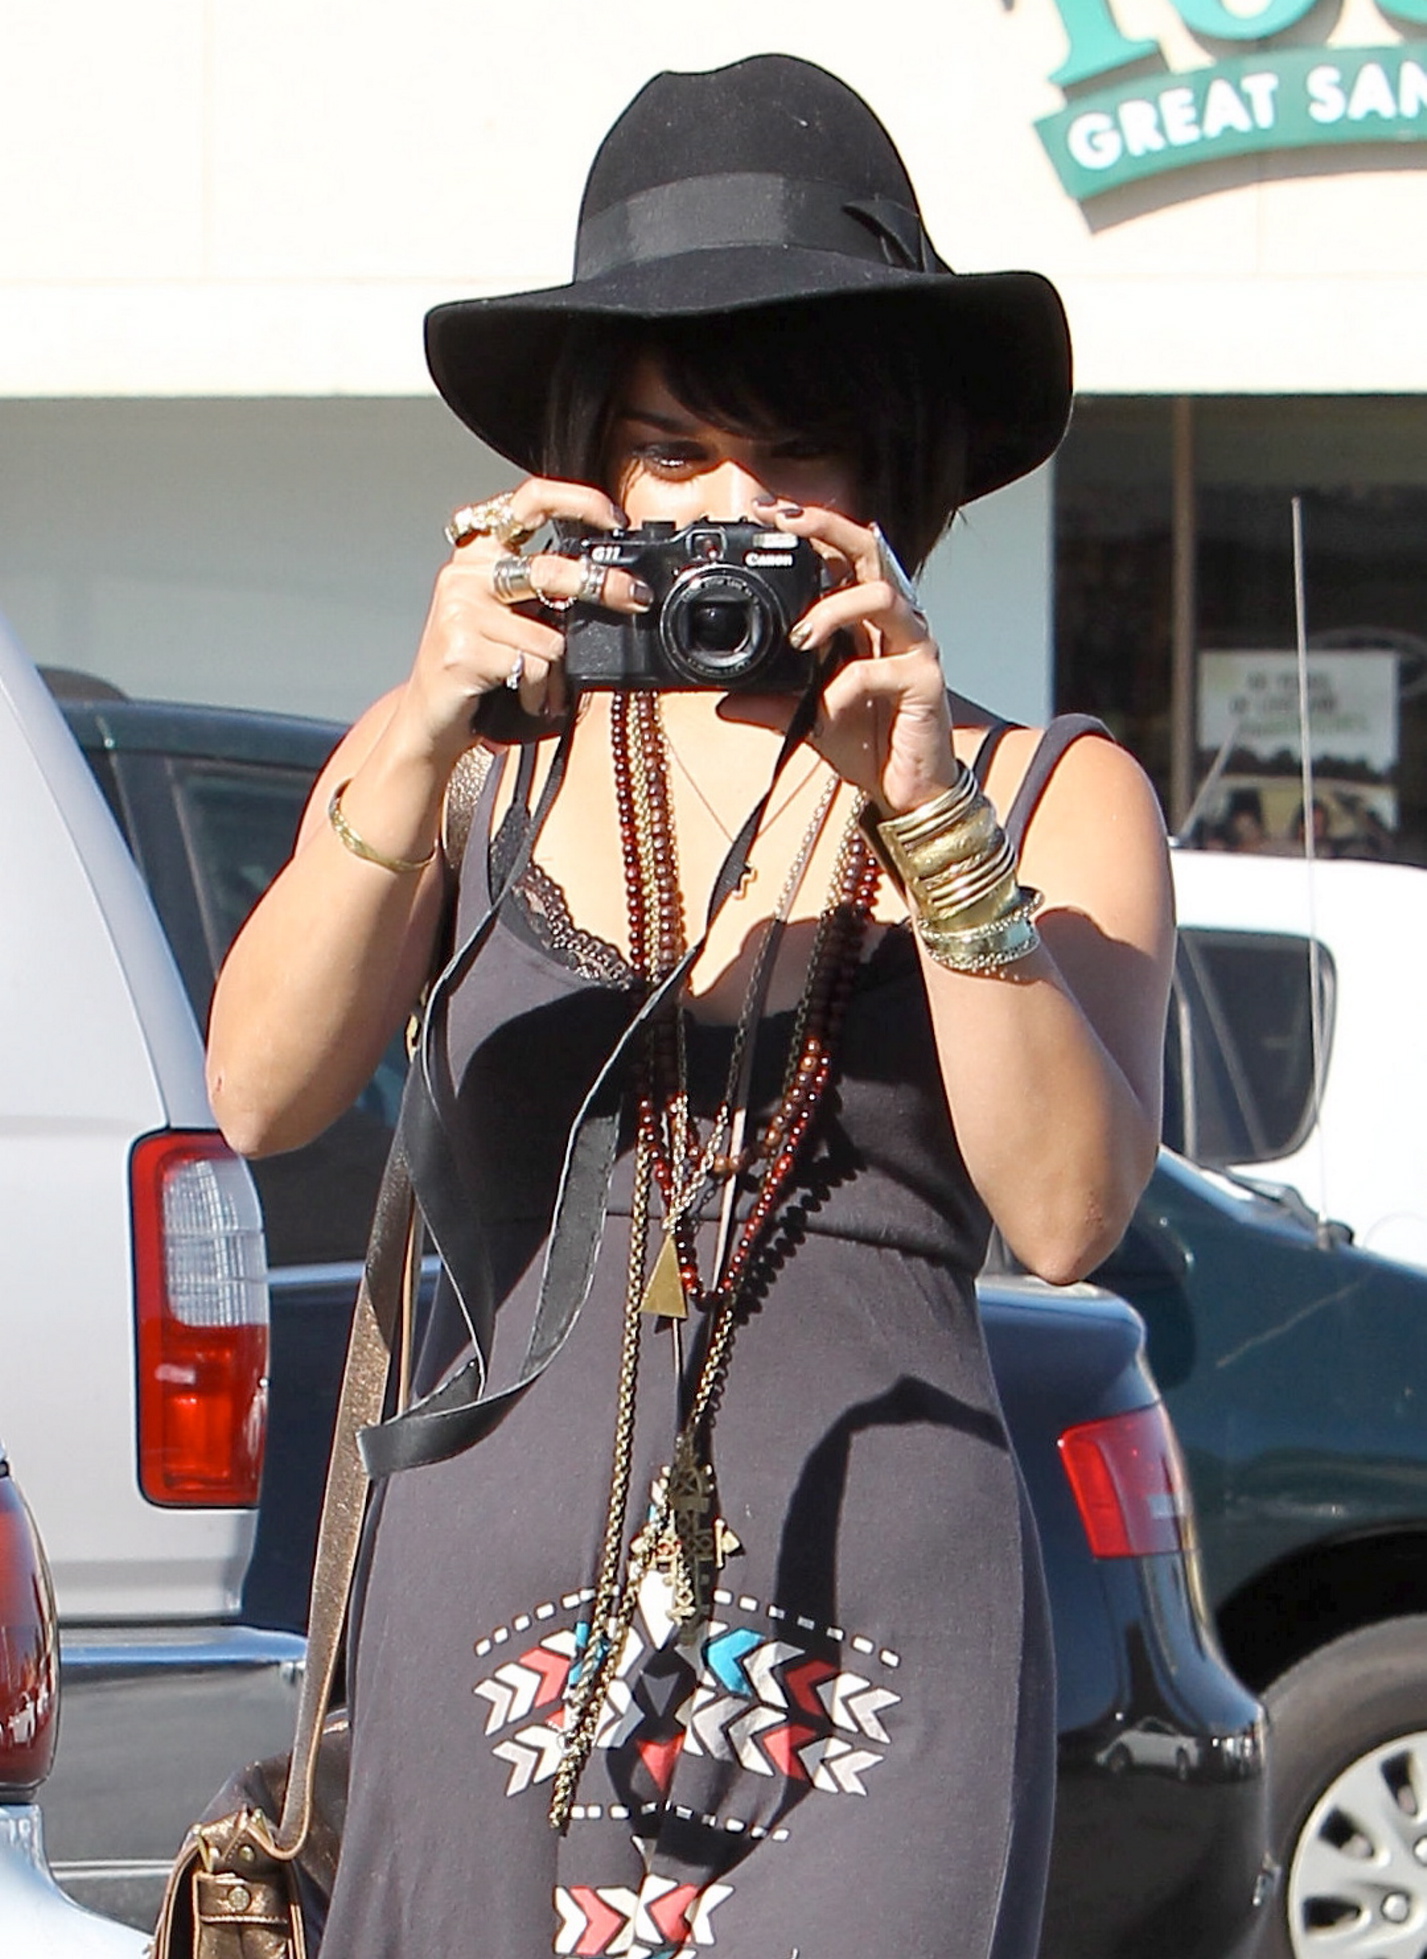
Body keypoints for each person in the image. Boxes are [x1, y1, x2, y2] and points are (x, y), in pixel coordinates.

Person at [207, 54, 1174, 1959]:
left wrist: (925, 812)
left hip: (877, 1631)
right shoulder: (473, 756)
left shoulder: (1046, 794)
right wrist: (426, 725)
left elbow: (1069, 1213)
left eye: (797, 454)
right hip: (481, 1632)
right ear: (588, 467)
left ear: (889, 472)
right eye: (674, 454)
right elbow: (260, 1093)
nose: (733, 508)